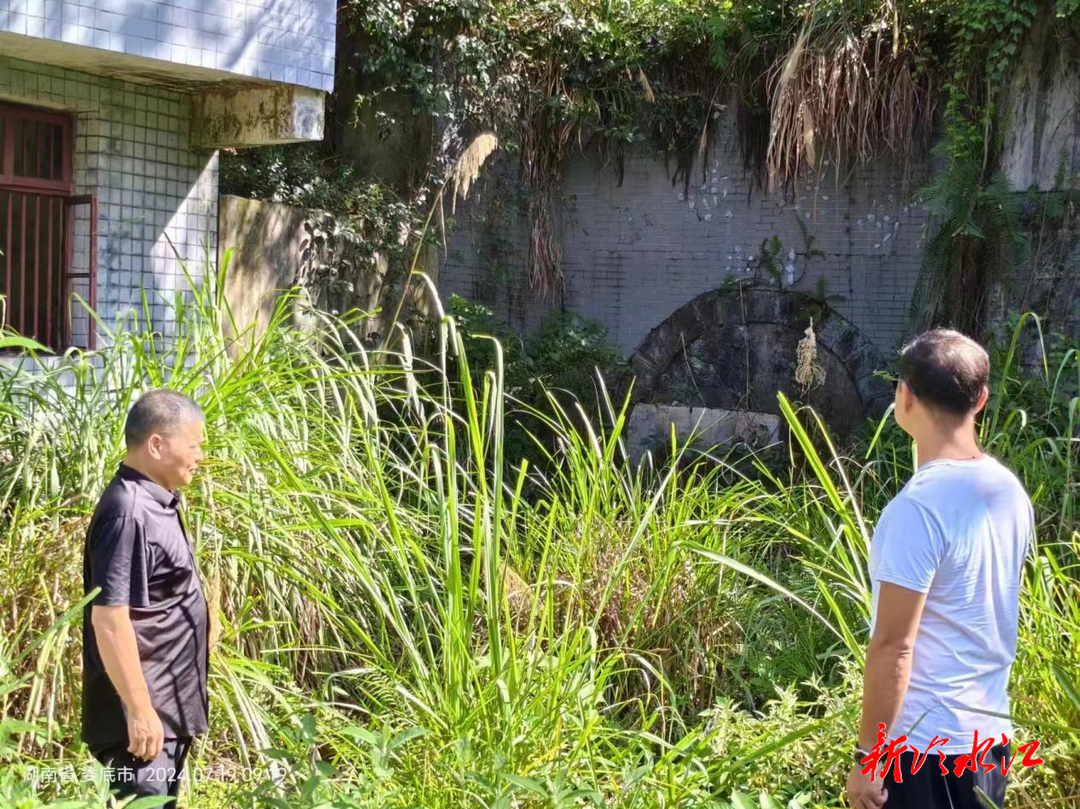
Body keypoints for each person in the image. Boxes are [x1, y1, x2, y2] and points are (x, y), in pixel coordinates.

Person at [846, 330, 1034, 809]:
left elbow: (894, 646)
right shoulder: (1007, 489)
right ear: (982, 400)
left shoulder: (918, 509)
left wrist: (868, 757)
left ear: (904, 397)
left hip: (925, 750)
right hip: (988, 741)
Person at [82, 389, 208, 805]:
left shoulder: (158, 503)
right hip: (140, 727)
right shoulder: (129, 511)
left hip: (165, 716)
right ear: (157, 444)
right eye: (194, 445)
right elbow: (110, 619)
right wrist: (139, 710)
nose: (199, 456)